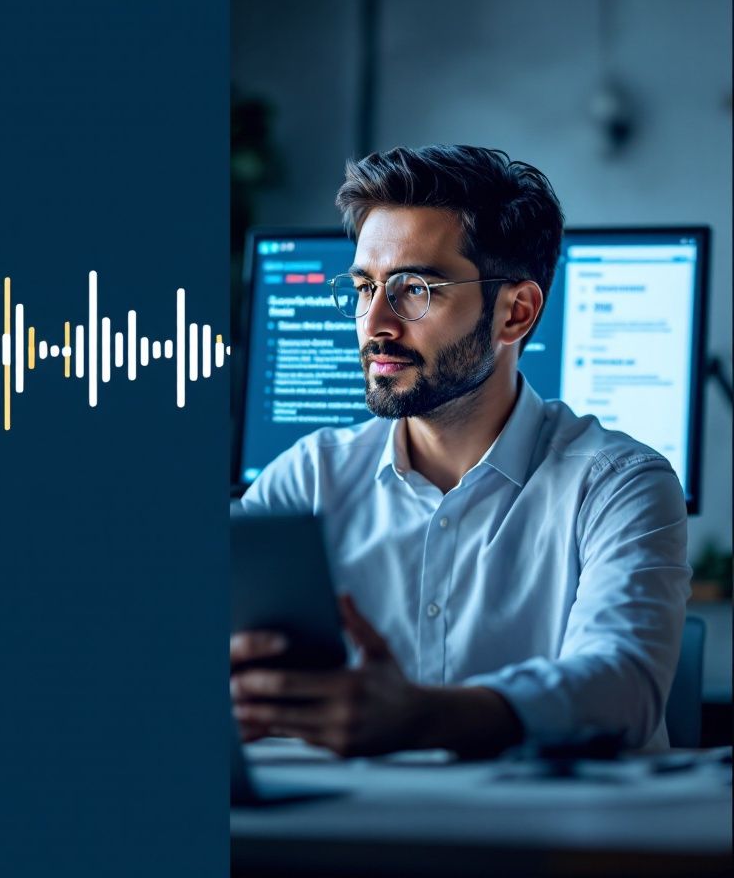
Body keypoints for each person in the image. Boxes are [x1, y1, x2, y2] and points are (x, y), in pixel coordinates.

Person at [231, 145, 690, 758]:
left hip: (549, 845)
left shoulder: (619, 484)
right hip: (346, 840)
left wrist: (423, 718)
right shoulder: (306, 479)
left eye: (414, 289)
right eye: (365, 288)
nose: (375, 324)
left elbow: (622, 688)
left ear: (515, 312)